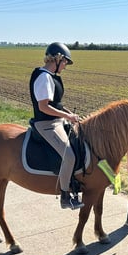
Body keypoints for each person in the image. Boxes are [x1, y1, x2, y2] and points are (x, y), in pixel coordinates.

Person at [29, 42, 84, 210]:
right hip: (47, 125)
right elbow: (43, 107)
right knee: (69, 156)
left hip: (56, 121)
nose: (65, 66)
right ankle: (65, 196)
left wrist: (71, 115)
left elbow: (56, 104)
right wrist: (67, 116)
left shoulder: (51, 76)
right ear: (58, 59)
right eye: (65, 62)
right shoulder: (44, 77)